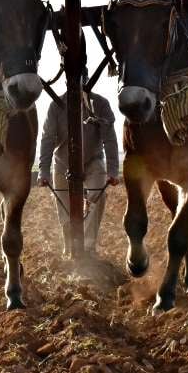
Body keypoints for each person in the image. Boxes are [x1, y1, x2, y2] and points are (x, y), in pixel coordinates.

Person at [38, 87, 120, 253]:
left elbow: (109, 139)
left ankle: (88, 245)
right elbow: (47, 139)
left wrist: (112, 170)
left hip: (93, 160)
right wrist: (43, 171)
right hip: (62, 162)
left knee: (98, 194)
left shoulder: (101, 104)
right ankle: (69, 244)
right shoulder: (56, 106)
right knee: (63, 201)